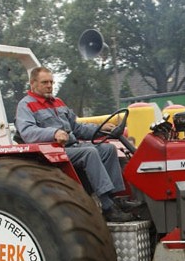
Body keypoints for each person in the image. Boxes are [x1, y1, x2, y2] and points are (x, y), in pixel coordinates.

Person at [15, 66, 134, 223]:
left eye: (51, 82)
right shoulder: (25, 105)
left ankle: (116, 199)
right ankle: (107, 207)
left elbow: (77, 128)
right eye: (45, 82)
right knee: (90, 152)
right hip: (52, 153)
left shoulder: (58, 102)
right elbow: (28, 132)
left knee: (108, 149)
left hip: (72, 147)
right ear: (33, 83)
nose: (49, 86)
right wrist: (54, 133)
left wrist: (100, 129)